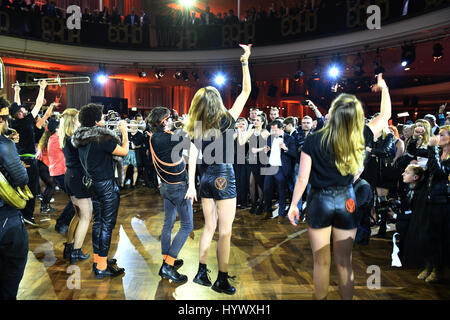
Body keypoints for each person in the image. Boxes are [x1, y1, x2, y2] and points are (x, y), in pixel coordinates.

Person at [288, 73, 391, 300]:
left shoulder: (314, 138)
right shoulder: (361, 135)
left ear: (332, 113)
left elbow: (302, 178)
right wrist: (383, 88)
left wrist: (294, 204)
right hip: (347, 201)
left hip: (319, 202)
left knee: (321, 263)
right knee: (345, 263)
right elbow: (385, 115)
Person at [185, 44, 252, 295]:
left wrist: (192, 185)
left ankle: (202, 273)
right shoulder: (228, 119)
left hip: (204, 180)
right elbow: (246, 90)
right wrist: (245, 62)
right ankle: (222, 279)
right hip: (224, 176)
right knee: (225, 232)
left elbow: (192, 156)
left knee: (209, 227)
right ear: (217, 102)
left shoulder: (195, 126)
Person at [72, 104, 128, 279]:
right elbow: (124, 152)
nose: (104, 119)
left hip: (92, 184)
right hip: (105, 185)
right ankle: (102, 266)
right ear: (96, 121)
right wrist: (124, 132)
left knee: (98, 223)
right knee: (107, 226)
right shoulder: (102, 139)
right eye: (102, 118)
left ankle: (99, 260)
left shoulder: (81, 139)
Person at [148, 107, 193, 283]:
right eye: (170, 118)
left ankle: (166, 259)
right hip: (178, 187)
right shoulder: (173, 137)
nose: (172, 120)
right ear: (165, 121)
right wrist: (187, 122)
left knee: (168, 224)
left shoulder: (154, 137)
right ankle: (168, 265)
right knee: (187, 226)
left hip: (165, 186)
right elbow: (192, 140)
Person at [0, 98, 29, 300]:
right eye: (3, 118)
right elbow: (21, 178)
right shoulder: (4, 143)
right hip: (5, 219)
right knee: (8, 283)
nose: (5, 122)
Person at [60, 109, 97, 264]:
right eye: (77, 118)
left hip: (70, 176)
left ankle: (69, 247)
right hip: (77, 178)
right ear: (74, 120)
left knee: (78, 214)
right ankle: (76, 251)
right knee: (86, 216)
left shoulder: (65, 137)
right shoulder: (74, 138)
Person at [10, 80, 47, 226]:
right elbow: (38, 104)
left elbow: (16, 106)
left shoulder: (13, 122)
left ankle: (20, 214)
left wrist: (17, 91)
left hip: (17, 159)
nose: (24, 110)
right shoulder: (27, 121)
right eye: (22, 110)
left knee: (19, 189)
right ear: (20, 113)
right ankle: (28, 215)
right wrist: (42, 88)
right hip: (30, 160)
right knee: (31, 189)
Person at [262, 119, 296, 222]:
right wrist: (266, 151)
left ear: (281, 129)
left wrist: (285, 149)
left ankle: (281, 214)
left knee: (281, 191)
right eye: (272, 130)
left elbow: (294, 154)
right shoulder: (270, 138)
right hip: (270, 166)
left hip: (281, 168)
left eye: (275, 130)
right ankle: (267, 211)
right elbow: (269, 153)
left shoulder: (290, 139)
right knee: (266, 190)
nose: (273, 132)